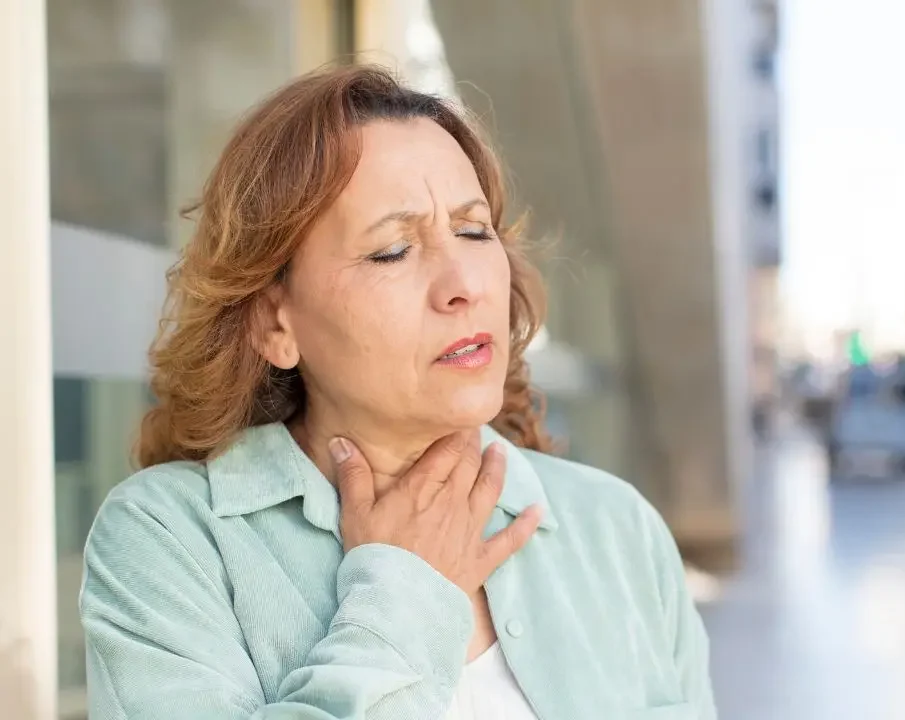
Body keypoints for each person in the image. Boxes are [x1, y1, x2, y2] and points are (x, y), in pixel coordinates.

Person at [79, 65, 716, 720]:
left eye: (474, 231)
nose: (463, 282)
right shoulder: (169, 540)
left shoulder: (617, 528)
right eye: (391, 251)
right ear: (275, 322)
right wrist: (408, 593)